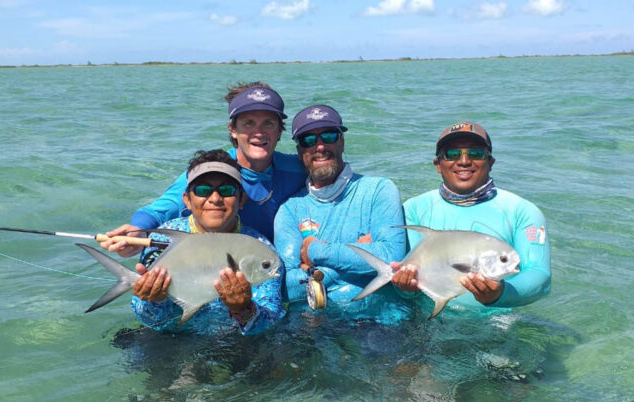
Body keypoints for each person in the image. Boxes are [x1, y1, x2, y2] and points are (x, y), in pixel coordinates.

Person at [102, 82, 306, 256]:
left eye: (268, 124)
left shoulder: (299, 168)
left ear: (280, 131)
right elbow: (161, 210)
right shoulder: (214, 172)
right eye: (248, 123)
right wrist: (138, 231)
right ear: (233, 130)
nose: (259, 133)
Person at [391, 121, 551, 313]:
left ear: (490, 162)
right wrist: (405, 289)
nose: (464, 161)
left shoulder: (523, 211)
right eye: (452, 154)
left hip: (498, 322)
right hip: (429, 321)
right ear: (438, 165)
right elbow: (407, 280)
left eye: (475, 153)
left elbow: (540, 277)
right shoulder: (413, 209)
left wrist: (500, 294)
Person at [273, 104, 411, 324]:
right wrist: (358, 256)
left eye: (328, 136)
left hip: (382, 322)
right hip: (316, 327)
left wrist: (314, 252)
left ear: (341, 141)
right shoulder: (290, 209)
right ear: (300, 151)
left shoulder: (379, 190)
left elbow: (390, 258)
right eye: (308, 140)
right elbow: (285, 287)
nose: (320, 146)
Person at [130, 149, 285, 335]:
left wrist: (245, 310)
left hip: (233, 343)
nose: (215, 199)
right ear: (187, 200)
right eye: (203, 190)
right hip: (173, 338)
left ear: (241, 199)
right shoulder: (162, 239)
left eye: (226, 190)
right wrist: (155, 300)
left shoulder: (261, 249)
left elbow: (270, 322)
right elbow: (149, 319)